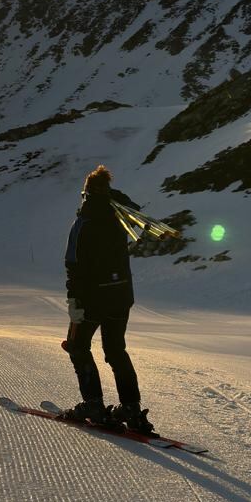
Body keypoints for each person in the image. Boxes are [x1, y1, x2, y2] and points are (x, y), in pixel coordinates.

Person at [62, 164, 153, 433]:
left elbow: (73, 264)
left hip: (92, 298)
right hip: (121, 295)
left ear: (86, 193)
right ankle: (131, 409)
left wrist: (73, 303)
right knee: (115, 350)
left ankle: (93, 404)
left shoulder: (85, 220)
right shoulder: (119, 216)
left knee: (78, 346)